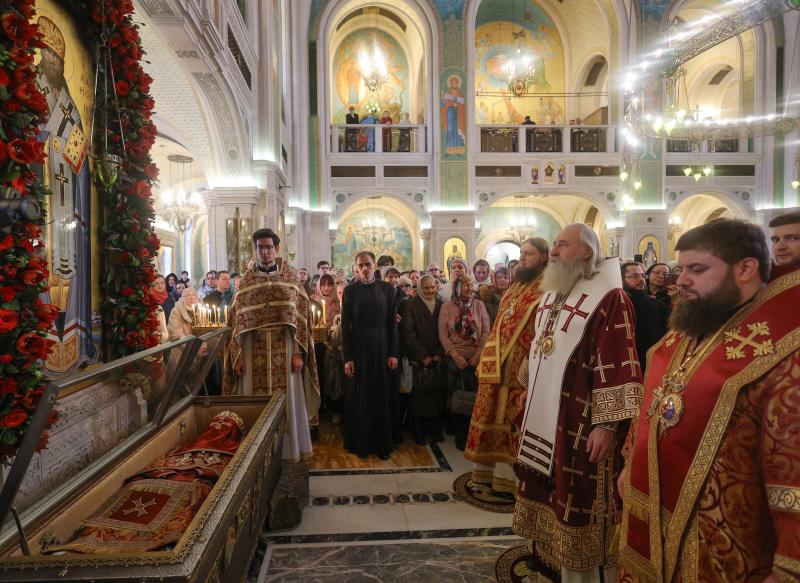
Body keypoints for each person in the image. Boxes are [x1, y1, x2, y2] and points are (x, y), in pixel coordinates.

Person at [618, 218, 800, 582]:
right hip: (654, 515)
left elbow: (791, 465)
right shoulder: (693, 325)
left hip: (730, 542)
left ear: (746, 268)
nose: (680, 279)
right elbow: (657, 401)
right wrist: (630, 464)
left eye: (697, 269)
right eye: (681, 268)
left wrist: (788, 566)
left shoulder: (784, 348)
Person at [514, 224, 643, 582]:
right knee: (547, 491)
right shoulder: (553, 291)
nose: (554, 251)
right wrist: (530, 387)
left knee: (576, 499)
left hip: (580, 421)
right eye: (554, 244)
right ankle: (549, 569)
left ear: (587, 251)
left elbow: (619, 361)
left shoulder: (610, 297)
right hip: (546, 413)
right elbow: (540, 343)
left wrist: (607, 426)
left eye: (563, 245)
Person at [223, 228, 320, 461]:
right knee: (254, 407)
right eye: (260, 248)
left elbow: (302, 319)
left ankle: (288, 453)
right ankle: (255, 457)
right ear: (255, 250)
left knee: (288, 405)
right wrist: (237, 357)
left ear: (276, 249)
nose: (264, 252)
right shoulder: (245, 283)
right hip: (252, 350)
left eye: (268, 247)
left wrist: (299, 353)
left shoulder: (291, 279)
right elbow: (234, 323)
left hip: (285, 349)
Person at [465, 239, 548, 495]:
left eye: (529, 254)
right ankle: (485, 474)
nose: (522, 259)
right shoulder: (515, 287)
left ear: (544, 257)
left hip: (523, 367)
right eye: (521, 254)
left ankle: (511, 480)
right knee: (490, 413)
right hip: (497, 363)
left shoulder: (549, 288)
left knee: (513, 418)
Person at [341, 251, 400, 459]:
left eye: (368, 264)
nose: (365, 268)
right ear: (356, 267)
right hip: (358, 347)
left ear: (375, 265)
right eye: (361, 265)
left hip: (382, 345)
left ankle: (382, 444)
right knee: (361, 394)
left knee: (381, 392)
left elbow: (392, 324)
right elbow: (345, 328)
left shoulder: (387, 289)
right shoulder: (349, 291)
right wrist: (347, 357)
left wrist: (393, 353)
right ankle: (362, 444)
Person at [439, 273, 490, 451]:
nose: (469, 288)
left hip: (476, 358)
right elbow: (443, 335)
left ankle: (472, 436)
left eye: (470, 285)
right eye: (464, 285)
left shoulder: (479, 305)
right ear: (456, 288)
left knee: (474, 398)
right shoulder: (446, 307)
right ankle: (460, 436)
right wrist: (455, 355)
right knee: (458, 398)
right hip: (455, 359)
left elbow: (485, 331)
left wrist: (477, 355)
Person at [402, 274, 445, 445]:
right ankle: (418, 431)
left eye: (432, 287)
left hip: (437, 356)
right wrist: (423, 355)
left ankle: (433, 430)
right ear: (420, 288)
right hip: (419, 360)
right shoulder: (410, 305)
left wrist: (439, 354)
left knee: (436, 397)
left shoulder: (442, 305)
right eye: (426, 287)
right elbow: (409, 333)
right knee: (419, 399)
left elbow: (447, 331)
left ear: (436, 287)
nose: (429, 290)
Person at [621, 261, 668, 374]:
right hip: (625, 364)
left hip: (651, 364)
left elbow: (666, 336)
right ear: (622, 279)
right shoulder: (617, 306)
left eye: (642, 275)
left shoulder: (657, 305)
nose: (641, 279)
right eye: (635, 276)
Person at [311, 273, 342, 421]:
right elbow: (313, 326)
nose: (327, 288)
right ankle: (319, 406)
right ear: (318, 286)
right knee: (320, 374)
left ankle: (335, 407)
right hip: (319, 346)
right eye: (323, 285)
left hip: (336, 345)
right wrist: (324, 342)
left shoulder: (338, 301)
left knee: (335, 377)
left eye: (330, 285)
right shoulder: (313, 301)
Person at [149, 275, 170, 345]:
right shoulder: (149, 300)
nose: (160, 285)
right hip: (156, 336)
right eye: (156, 283)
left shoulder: (170, 298)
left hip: (168, 333)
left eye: (162, 283)